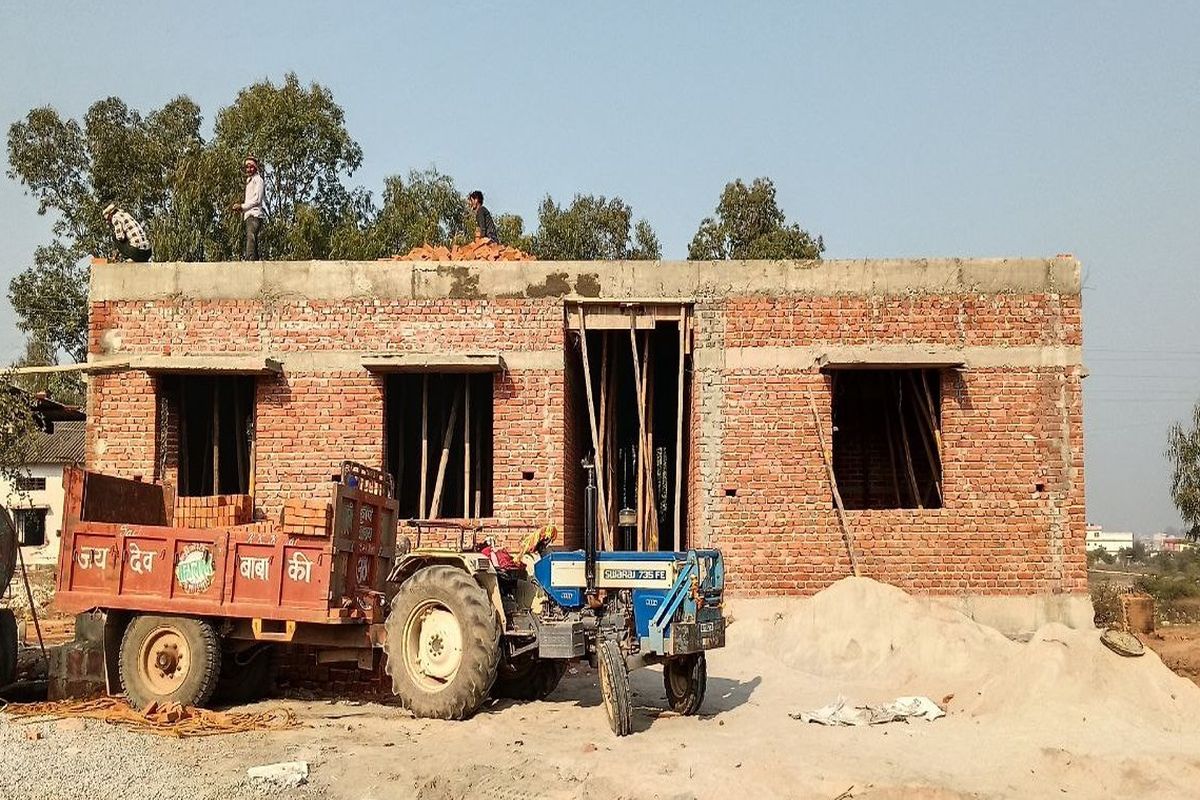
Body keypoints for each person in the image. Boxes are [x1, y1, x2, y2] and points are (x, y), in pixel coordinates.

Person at [230, 156, 265, 260]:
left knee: (251, 237)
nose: (248, 169)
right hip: (248, 215)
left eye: (251, 167)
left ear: (255, 167)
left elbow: (257, 199)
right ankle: (254, 260)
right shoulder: (249, 181)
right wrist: (241, 209)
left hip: (254, 214)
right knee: (252, 239)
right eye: (247, 167)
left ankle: (250, 260)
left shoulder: (258, 180)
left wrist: (242, 206)